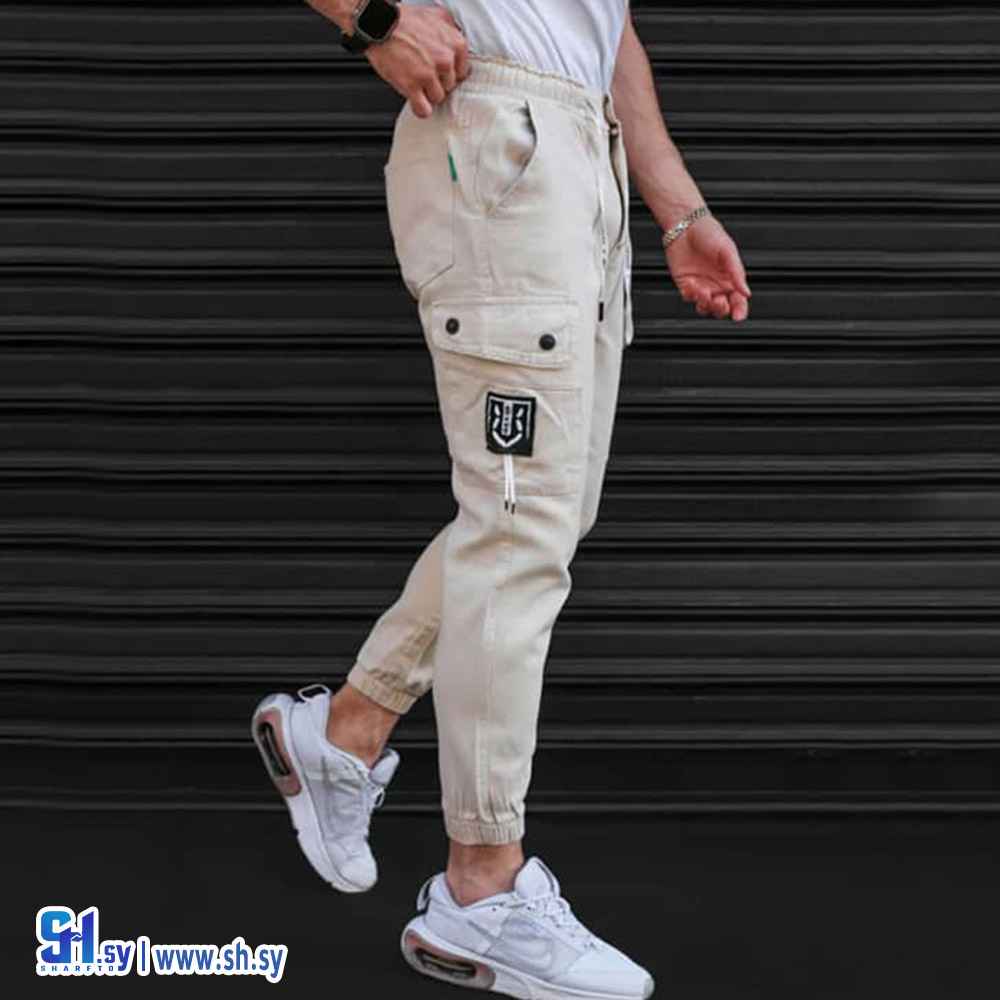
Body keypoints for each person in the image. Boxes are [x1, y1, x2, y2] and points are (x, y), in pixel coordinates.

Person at [252, 2, 751, 998]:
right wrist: (374, 18)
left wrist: (678, 209)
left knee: (539, 514)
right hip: (502, 139)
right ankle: (480, 886)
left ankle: (348, 729)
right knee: (519, 526)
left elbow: (607, 28)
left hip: (580, 151)